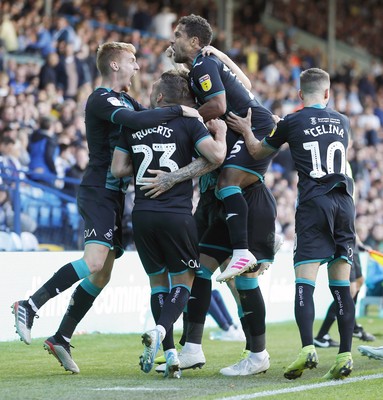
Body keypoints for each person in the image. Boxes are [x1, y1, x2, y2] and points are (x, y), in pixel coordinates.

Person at [11, 41, 199, 374]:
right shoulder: (102, 98)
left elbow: (151, 124)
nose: (138, 67)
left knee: (101, 275)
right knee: (94, 261)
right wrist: (181, 111)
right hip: (98, 189)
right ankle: (29, 304)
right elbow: (132, 120)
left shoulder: (131, 100)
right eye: (132, 60)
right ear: (115, 65)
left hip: (115, 196)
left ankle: (61, 336)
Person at [226, 67, 356, 380]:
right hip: (345, 202)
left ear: (300, 94)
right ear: (327, 94)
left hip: (314, 204)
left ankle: (307, 348)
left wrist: (246, 129)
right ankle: (345, 355)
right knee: (341, 286)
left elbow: (258, 150)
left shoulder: (291, 121)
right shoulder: (343, 121)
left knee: (305, 283)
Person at [111, 69, 227, 378]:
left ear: (160, 96)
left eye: (151, 90)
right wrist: (223, 135)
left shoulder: (133, 124)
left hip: (143, 214)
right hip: (175, 214)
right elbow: (216, 156)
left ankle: (171, 355)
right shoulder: (189, 122)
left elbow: (118, 168)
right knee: (184, 282)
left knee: (157, 283)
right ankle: (161, 330)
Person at [170, 14, 277, 282]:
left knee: (228, 182)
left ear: (194, 41)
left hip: (254, 125)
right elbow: (246, 85)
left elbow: (217, 106)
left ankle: (245, 249)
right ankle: (260, 242)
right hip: (253, 123)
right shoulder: (206, 63)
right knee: (234, 183)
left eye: (178, 36)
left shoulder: (202, 65)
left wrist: (184, 116)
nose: (173, 42)